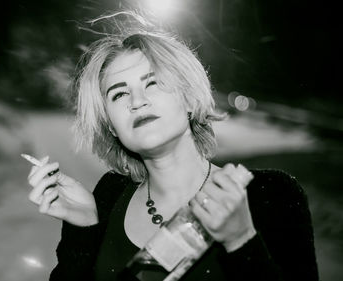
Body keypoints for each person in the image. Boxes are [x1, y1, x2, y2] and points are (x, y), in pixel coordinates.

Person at [26, 11, 318, 281]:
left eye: (152, 83)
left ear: (190, 99)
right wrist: (84, 229)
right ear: (112, 127)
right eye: (118, 94)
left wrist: (241, 241)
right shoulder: (108, 196)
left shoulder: (272, 196)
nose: (137, 101)